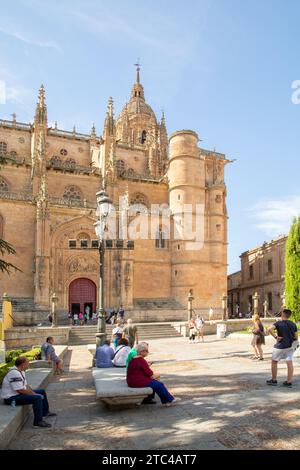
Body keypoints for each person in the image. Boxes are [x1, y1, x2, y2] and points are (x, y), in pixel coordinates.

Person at [1, 356, 57, 428]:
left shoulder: (21, 371)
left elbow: (26, 385)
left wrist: (33, 392)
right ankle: (38, 422)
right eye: (27, 363)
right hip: (11, 398)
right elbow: (19, 390)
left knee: (41, 391)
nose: (28, 365)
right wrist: (34, 394)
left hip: (17, 394)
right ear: (23, 364)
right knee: (37, 398)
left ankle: (45, 412)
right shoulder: (14, 373)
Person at [266, 309, 298, 387]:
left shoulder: (278, 323)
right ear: (289, 316)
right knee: (289, 363)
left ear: (283, 315)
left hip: (280, 346)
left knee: (274, 362)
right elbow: (296, 336)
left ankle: (274, 380)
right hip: (290, 346)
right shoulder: (293, 324)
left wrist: (276, 337)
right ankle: (289, 381)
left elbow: (269, 329)